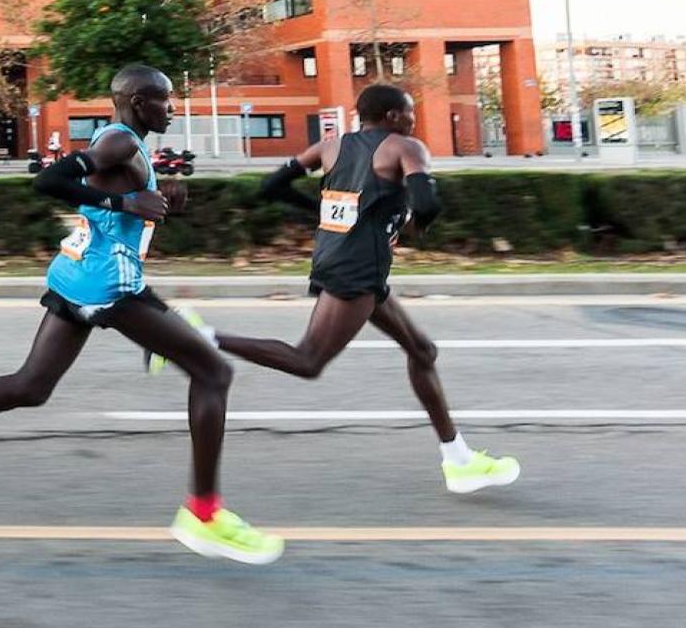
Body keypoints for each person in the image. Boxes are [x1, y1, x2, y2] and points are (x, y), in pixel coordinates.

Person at [0, 66, 284, 564]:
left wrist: (150, 204)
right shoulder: (118, 142)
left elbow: (106, 206)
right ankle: (204, 515)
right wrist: (124, 200)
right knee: (213, 371)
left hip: (82, 274)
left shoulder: (119, 140)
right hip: (107, 284)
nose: (172, 108)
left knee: (31, 385)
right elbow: (49, 181)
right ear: (139, 102)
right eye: (165, 100)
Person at [209, 82, 520, 494]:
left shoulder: (329, 147)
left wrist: (325, 213)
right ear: (392, 116)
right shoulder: (405, 148)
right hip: (358, 268)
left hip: (339, 257)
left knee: (422, 351)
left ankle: (458, 460)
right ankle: (199, 336)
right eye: (409, 112)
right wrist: (414, 226)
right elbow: (427, 203)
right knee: (307, 361)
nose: (413, 119)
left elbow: (271, 187)